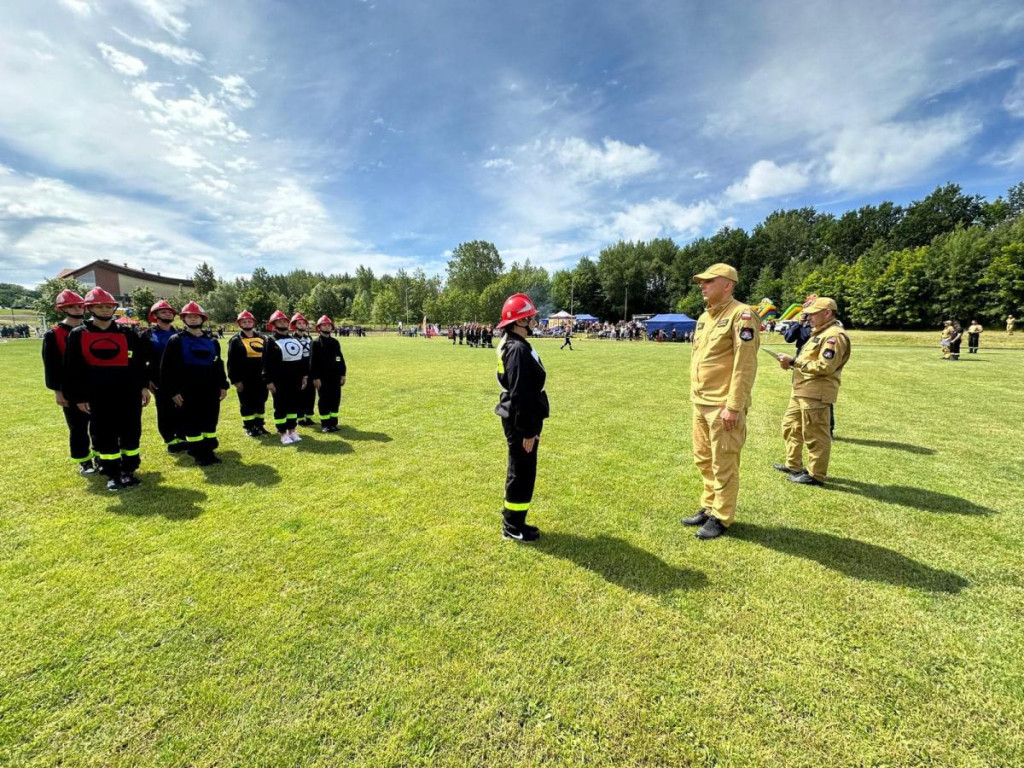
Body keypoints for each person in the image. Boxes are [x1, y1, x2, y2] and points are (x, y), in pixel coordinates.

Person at [681, 263, 760, 540]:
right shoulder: (705, 317)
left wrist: (734, 406)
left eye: (709, 281)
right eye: (701, 281)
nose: (702, 286)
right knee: (703, 459)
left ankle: (722, 516)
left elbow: (744, 365)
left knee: (724, 462)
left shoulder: (743, 315)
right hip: (701, 402)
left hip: (723, 406)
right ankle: (709, 505)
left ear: (727, 284)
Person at [62, 287, 150, 491]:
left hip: (127, 393)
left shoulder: (127, 333)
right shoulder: (78, 334)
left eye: (108, 306)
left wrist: (143, 387)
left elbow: (138, 363)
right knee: (103, 434)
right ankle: (112, 473)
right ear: (90, 308)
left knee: (131, 431)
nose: (104, 310)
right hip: (97, 395)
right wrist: (79, 396)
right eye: (99, 306)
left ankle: (129, 471)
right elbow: (72, 368)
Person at [773, 297, 851, 487]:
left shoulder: (834, 336)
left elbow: (825, 366)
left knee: (815, 434)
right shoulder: (819, 333)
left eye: (813, 314)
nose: (809, 318)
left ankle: (816, 475)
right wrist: (792, 364)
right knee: (791, 426)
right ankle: (794, 465)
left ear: (827, 313)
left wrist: (794, 362)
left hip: (816, 392)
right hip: (801, 389)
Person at [494, 293, 549, 542]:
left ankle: (515, 521)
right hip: (520, 419)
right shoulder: (516, 348)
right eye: (529, 317)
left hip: (519, 416)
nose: (533, 321)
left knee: (522, 470)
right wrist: (528, 430)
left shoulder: (515, 342)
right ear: (519, 322)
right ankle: (512, 526)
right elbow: (521, 394)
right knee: (521, 472)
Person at [160, 302, 229, 465]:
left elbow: (218, 364)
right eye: (189, 316)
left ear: (202, 318)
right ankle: (198, 453)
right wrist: (173, 391)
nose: (192, 319)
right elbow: (166, 368)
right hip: (187, 390)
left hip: (210, 389)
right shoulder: (176, 340)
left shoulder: (212, 341)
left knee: (210, 420)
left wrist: (223, 385)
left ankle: (209, 451)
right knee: (192, 423)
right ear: (184, 319)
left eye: (196, 316)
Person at [41, 289, 94, 474]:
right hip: (70, 388)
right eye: (72, 306)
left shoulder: (91, 328)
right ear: (62, 309)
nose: (78, 309)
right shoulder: (53, 334)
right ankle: (84, 460)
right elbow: (51, 365)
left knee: (99, 424)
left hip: (95, 385)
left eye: (80, 305)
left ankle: (102, 455)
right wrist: (58, 390)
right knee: (78, 427)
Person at [141, 300, 186, 452]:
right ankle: (170, 439)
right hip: (158, 379)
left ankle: (182, 436)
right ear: (155, 315)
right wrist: (147, 380)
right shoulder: (147, 335)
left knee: (182, 407)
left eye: (170, 312)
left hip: (180, 378)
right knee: (165, 409)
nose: (168, 314)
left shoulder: (180, 334)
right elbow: (140, 360)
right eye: (163, 312)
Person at [263, 309, 307, 444]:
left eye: (284, 321)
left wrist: (304, 376)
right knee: (281, 406)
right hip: (279, 381)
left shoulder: (293, 339)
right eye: (279, 321)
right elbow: (265, 363)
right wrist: (268, 381)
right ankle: (282, 433)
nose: (282, 323)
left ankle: (292, 430)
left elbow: (301, 360)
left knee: (293, 406)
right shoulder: (270, 341)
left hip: (295, 379)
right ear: (273, 324)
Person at [227, 310, 270, 437]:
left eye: (249, 321)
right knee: (247, 402)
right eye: (244, 321)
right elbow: (231, 362)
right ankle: (250, 426)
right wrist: (235, 380)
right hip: (244, 378)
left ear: (253, 322)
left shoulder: (262, 338)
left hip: (260, 377)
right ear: (240, 324)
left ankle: (260, 425)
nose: (247, 323)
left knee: (261, 401)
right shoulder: (235, 340)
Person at [309, 315, 347, 433]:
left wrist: (342, 374)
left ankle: (333, 423)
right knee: (324, 400)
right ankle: (325, 424)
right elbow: (313, 361)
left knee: (335, 400)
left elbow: (339, 358)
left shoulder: (335, 342)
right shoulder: (315, 343)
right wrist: (315, 378)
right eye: (324, 325)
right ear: (319, 328)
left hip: (335, 377)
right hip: (322, 378)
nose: (327, 327)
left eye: (329, 325)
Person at [291, 313, 316, 426]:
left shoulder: (309, 338)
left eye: (303, 323)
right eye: (299, 323)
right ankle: (300, 418)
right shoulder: (291, 339)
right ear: (294, 325)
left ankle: (309, 417)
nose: (302, 325)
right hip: (298, 370)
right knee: (300, 395)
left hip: (310, 369)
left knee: (310, 394)